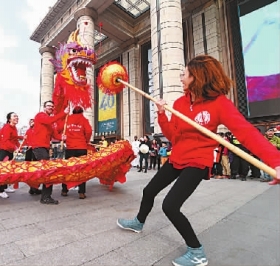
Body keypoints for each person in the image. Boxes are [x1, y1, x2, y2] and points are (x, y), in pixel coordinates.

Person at [116, 55, 280, 266]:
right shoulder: (180, 103)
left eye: (184, 74)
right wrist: (161, 113)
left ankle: (197, 252)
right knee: (148, 191)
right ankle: (138, 222)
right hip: (177, 158)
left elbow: (247, 133)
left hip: (197, 162)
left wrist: (275, 161)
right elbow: (174, 137)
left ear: (197, 77)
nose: (181, 78)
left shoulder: (220, 104)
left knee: (170, 206)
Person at [32, 100, 69, 204]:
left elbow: (55, 135)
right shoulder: (40, 116)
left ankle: (33, 189)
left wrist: (62, 137)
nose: (50, 107)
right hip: (39, 147)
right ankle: (45, 197)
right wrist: (64, 113)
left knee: (39, 171)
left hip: (44, 148)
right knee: (48, 172)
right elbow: (49, 121)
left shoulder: (50, 123)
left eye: (52, 106)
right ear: (44, 107)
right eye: (48, 106)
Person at [60, 106, 92, 199]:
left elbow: (60, 129)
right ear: (82, 112)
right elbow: (89, 131)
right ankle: (81, 192)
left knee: (68, 169)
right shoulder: (84, 119)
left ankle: (64, 190)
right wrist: (86, 141)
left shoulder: (67, 119)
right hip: (81, 147)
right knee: (82, 170)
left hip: (70, 148)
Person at [0, 112, 24, 198]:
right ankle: (1, 191)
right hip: (4, 152)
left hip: (9, 152)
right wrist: (15, 148)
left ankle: (6, 187)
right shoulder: (7, 128)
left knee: (8, 170)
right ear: (9, 119)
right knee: (2, 170)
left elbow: (14, 140)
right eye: (14, 116)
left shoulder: (14, 128)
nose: (17, 117)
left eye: (17, 116)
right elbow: (6, 141)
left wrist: (19, 147)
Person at [23, 118, 42, 195]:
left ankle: (34, 187)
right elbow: (25, 140)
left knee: (36, 170)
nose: (32, 123)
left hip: (36, 150)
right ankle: (32, 187)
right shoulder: (28, 131)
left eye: (33, 121)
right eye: (30, 122)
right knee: (30, 170)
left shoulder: (38, 130)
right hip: (29, 151)